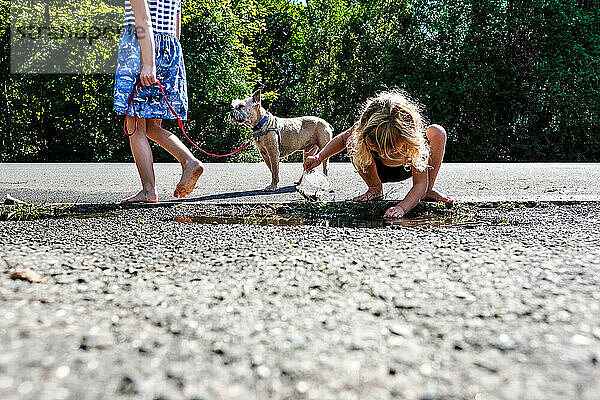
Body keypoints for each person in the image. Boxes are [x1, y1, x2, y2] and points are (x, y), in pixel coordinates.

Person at [303, 90, 452, 218]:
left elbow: (419, 184)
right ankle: (375, 188)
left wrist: (401, 208)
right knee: (350, 139)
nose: (386, 153)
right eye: (380, 147)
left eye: (393, 148)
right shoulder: (363, 131)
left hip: (407, 169)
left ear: (406, 138)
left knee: (437, 131)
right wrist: (319, 157)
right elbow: (341, 140)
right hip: (376, 169)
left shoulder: (413, 143)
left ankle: (428, 191)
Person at [113, 0, 203, 203]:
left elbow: (143, 20)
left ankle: (148, 190)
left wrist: (149, 64)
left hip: (140, 50)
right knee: (152, 127)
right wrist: (167, 63)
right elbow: (176, 27)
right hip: (169, 50)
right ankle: (189, 161)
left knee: (135, 126)